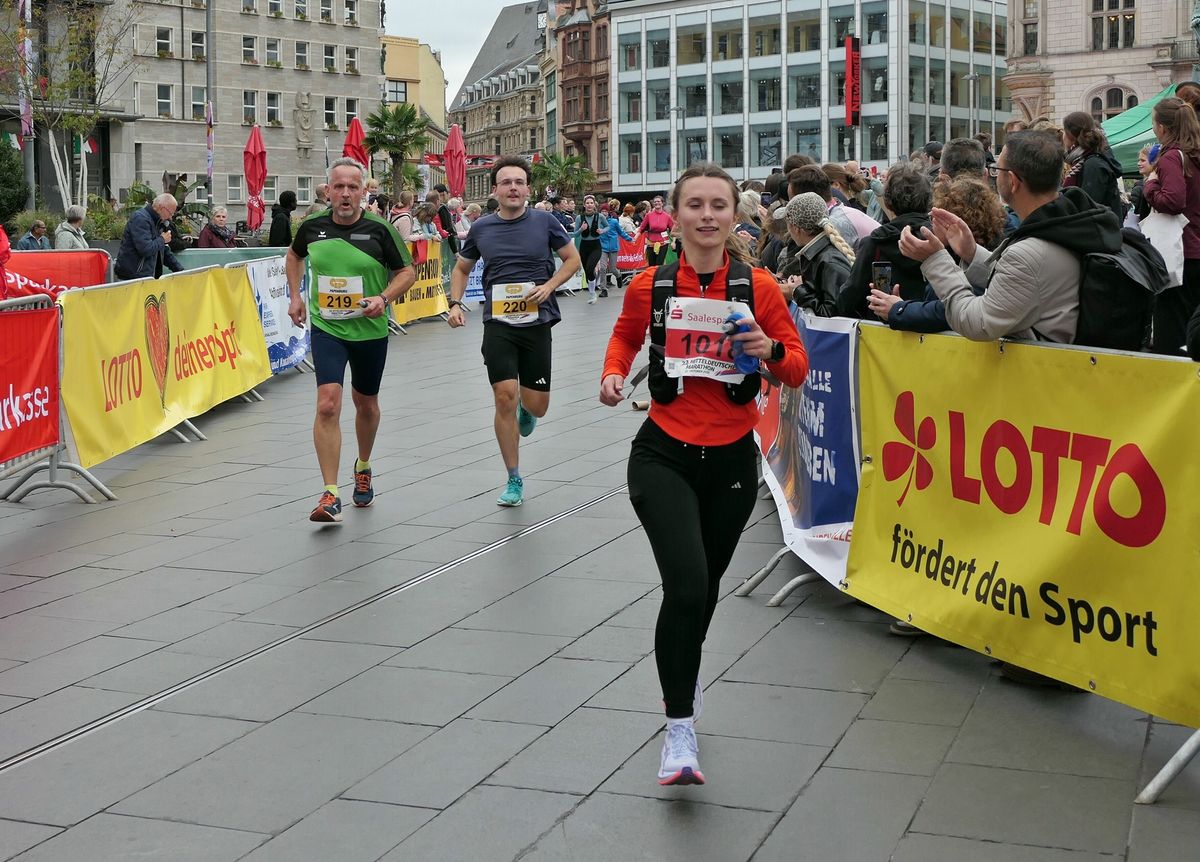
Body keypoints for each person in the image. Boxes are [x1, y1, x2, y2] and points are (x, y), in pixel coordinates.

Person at [599, 162, 807, 787]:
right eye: (695, 204)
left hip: (733, 462)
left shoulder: (759, 287)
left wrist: (768, 349)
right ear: (675, 214)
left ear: (735, 215)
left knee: (704, 589)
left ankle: (681, 678)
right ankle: (679, 729)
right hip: (663, 455)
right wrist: (612, 375)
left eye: (719, 205)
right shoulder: (651, 284)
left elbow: (796, 367)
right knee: (687, 587)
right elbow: (624, 337)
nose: (708, 216)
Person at [285, 157, 416, 522]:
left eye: (352, 187)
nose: (345, 194)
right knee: (328, 404)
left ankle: (363, 465)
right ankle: (330, 493)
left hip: (369, 330)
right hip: (327, 328)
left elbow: (407, 272)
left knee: (366, 404)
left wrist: (383, 299)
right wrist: (295, 296)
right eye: (338, 187)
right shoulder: (312, 226)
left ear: (363, 193)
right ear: (328, 191)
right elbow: (294, 256)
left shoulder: (380, 230)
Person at [899, 130, 1122, 343]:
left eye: (997, 169)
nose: (994, 175)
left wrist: (936, 260)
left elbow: (977, 323)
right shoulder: (1068, 224)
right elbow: (1022, 283)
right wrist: (972, 253)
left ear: (1013, 181)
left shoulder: (1030, 251)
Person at [447, 155, 581, 507]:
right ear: (495, 190)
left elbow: (573, 260)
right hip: (498, 323)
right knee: (503, 395)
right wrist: (455, 303)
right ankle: (514, 478)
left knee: (537, 406)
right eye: (506, 182)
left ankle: (527, 407)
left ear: (528, 189)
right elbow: (461, 269)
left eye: (519, 182)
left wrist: (549, 286)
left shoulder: (545, 221)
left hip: (537, 321)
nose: (513, 188)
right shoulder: (482, 228)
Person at [1141, 96, 1200, 354]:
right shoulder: (1193, 155)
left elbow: (1173, 201)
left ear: (1162, 128)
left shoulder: (1171, 157)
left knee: (1171, 333)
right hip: (1194, 251)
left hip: (1179, 253)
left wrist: (1151, 185)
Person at [837, 161, 933, 318]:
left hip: (883, 326)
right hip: (936, 326)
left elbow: (847, 300)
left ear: (887, 202)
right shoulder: (942, 239)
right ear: (929, 199)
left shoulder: (874, 243)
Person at [774, 192, 855, 317]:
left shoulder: (829, 261)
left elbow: (832, 315)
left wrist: (797, 291)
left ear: (796, 228)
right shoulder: (818, 254)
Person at [1061, 112, 1124, 222]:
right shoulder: (1083, 161)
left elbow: (1090, 208)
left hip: (1100, 230)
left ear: (1070, 136)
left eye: (1064, 132)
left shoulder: (1093, 165)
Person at [114, 194, 184, 280]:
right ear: (161, 208)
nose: (170, 217)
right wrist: (162, 239)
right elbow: (145, 249)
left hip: (146, 276)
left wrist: (180, 270)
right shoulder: (140, 219)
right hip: (134, 277)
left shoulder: (158, 222)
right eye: (170, 213)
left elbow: (163, 250)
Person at [595, 198, 634, 294]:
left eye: (606, 211)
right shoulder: (597, 222)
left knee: (613, 268)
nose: (604, 213)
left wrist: (630, 239)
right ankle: (603, 289)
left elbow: (621, 232)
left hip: (613, 247)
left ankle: (618, 276)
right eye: (602, 211)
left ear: (609, 212)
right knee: (603, 268)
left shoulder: (614, 222)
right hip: (603, 247)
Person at [575, 194, 608, 303]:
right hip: (584, 246)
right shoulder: (579, 218)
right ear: (584, 205)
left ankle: (593, 294)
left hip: (596, 246)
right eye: (587, 203)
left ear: (594, 205)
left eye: (591, 203)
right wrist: (581, 229)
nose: (589, 205)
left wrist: (602, 231)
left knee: (590, 268)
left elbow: (608, 226)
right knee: (587, 272)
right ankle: (592, 286)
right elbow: (575, 234)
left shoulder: (600, 216)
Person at [636, 195, 674, 266]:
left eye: (658, 201)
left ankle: (659, 273)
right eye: (655, 202)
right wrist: (635, 238)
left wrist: (674, 242)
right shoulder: (648, 215)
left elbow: (673, 230)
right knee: (651, 265)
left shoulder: (667, 216)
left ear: (662, 203)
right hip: (651, 243)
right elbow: (641, 228)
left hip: (663, 244)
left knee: (659, 264)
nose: (657, 203)